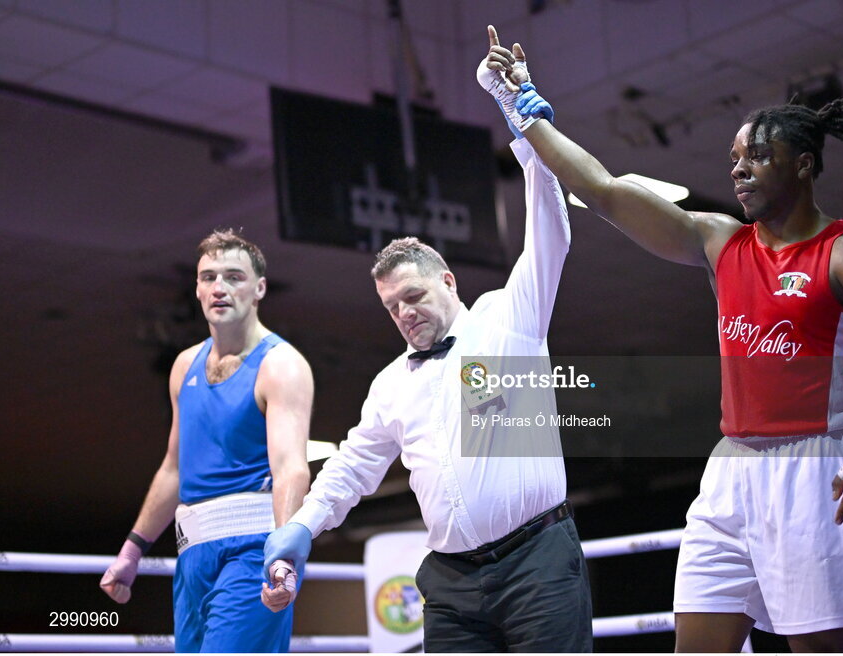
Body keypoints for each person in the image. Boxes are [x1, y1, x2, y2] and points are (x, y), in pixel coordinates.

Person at [479, 25, 843, 653]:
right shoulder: (720, 242)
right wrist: (521, 107)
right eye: (734, 161)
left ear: (803, 165)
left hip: (816, 468)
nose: (739, 170)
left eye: (756, 157)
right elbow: (606, 192)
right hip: (730, 471)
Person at [261, 111, 593, 652]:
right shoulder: (391, 384)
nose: (405, 313)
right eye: (392, 307)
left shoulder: (506, 320)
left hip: (537, 562)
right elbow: (352, 466)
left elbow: (548, 240)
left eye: (413, 297)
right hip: (451, 582)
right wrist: (303, 525)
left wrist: (529, 135)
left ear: (448, 280)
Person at [100, 229, 314, 653]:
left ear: (259, 289)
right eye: (209, 277)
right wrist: (132, 549)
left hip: (253, 552)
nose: (220, 287)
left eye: (234, 276)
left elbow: (291, 466)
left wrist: (285, 556)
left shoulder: (281, 366)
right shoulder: (184, 367)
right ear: (197, 289)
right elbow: (174, 468)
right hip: (193, 557)